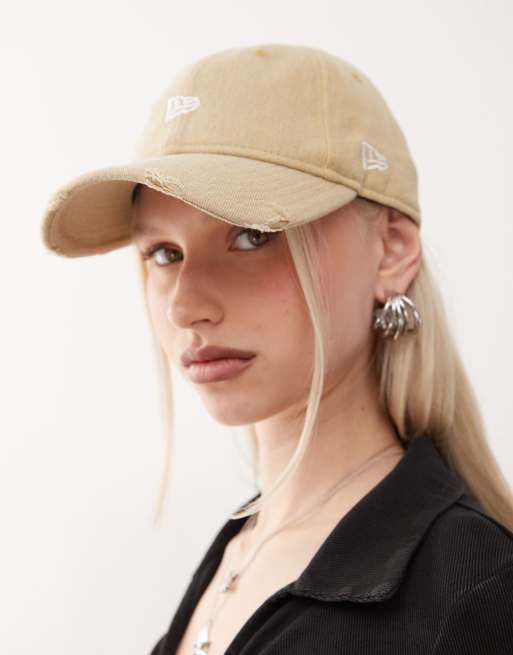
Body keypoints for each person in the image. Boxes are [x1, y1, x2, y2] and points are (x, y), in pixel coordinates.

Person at [40, 43, 513, 654]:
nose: (185, 307)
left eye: (251, 235)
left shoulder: (472, 589)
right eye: (163, 252)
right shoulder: (242, 545)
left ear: (391, 251)